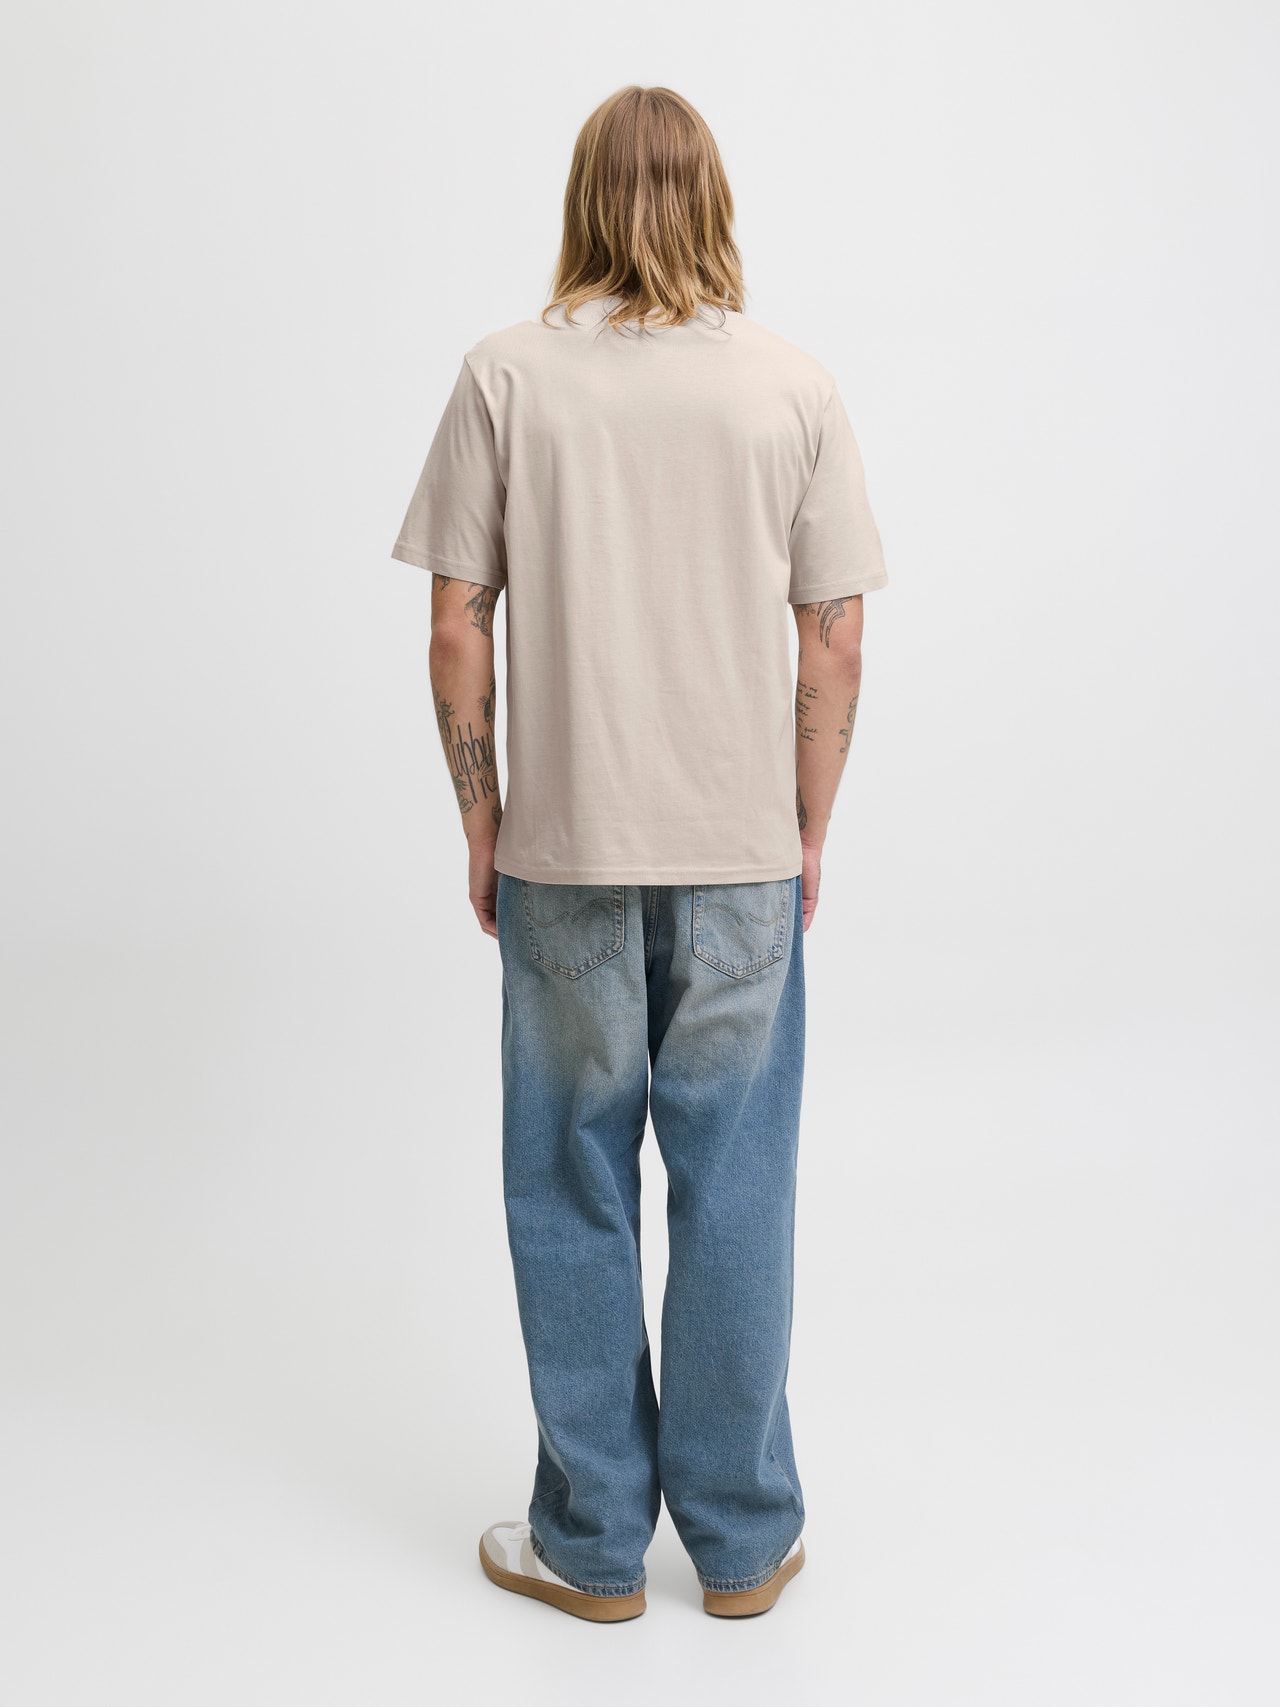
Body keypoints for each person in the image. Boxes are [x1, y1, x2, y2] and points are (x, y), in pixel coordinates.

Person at [389, 85, 887, 1622]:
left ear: (584, 202)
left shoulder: (507, 376)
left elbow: (455, 625)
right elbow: (834, 640)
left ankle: (593, 1542)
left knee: (570, 1180)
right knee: (737, 1185)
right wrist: (805, 827)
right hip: (740, 859)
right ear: (714, 201)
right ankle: (741, 1545)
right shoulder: (792, 387)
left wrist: (484, 817)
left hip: (568, 855)